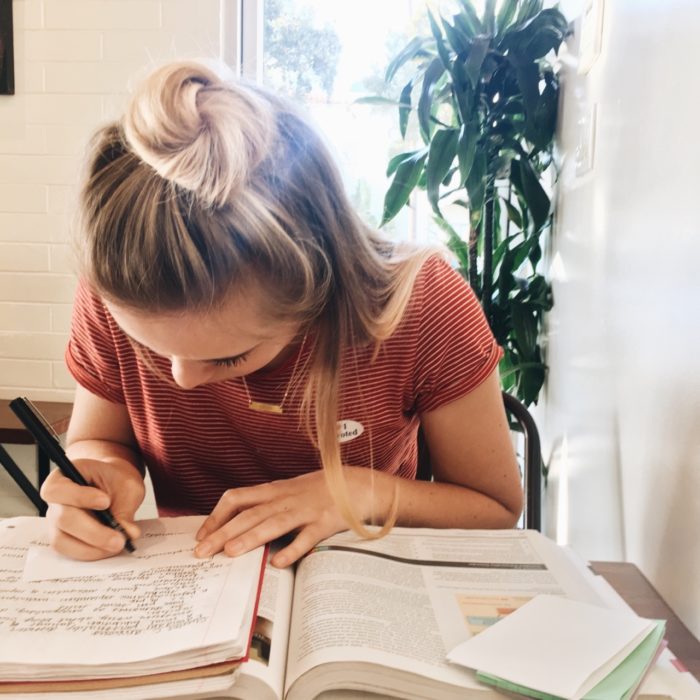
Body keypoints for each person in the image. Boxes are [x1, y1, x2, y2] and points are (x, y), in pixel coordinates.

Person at [41, 61, 523, 566]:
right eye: (150, 347)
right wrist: (96, 469)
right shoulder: (117, 287)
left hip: (363, 581)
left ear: (317, 286)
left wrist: (358, 493)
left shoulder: (422, 304)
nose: (180, 379)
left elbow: (495, 507)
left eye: (229, 358)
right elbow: (99, 440)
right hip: (193, 588)